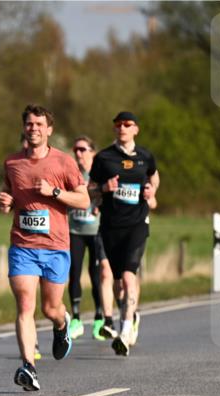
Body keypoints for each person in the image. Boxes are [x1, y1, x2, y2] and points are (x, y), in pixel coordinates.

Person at [0, 105, 90, 391]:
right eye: (29, 123)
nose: (33, 128)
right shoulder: (12, 163)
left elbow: (84, 201)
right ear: (24, 128)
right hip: (22, 246)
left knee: (51, 308)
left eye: (39, 124)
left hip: (55, 247)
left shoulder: (63, 163)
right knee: (25, 305)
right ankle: (28, 366)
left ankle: (62, 325)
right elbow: (10, 195)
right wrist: (5, 201)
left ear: (49, 129)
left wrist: (55, 192)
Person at [89, 111, 160, 356]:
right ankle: (131, 315)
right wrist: (103, 188)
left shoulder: (145, 157)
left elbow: (154, 176)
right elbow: (89, 188)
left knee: (129, 277)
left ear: (136, 129)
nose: (122, 128)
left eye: (127, 124)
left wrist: (151, 192)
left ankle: (125, 330)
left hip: (137, 224)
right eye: (118, 124)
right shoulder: (103, 158)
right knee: (118, 283)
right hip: (110, 226)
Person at [68, 135, 116, 340]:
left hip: (96, 230)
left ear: (92, 152)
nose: (78, 153)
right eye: (76, 149)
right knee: (74, 271)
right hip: (74, 229)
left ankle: (98, 318)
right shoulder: (70, 172)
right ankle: (76, 319)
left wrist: (100, 204)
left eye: (83, 149)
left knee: (96, 274)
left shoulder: (99, 171)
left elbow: (111, 193)